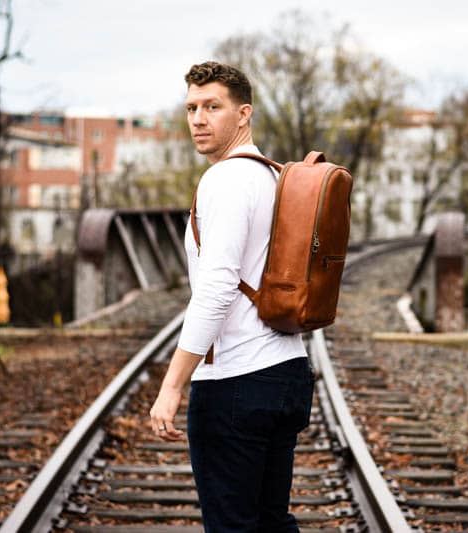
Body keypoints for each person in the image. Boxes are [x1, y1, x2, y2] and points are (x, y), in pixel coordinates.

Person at [149, 61, 314, 532]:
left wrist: (173, 384)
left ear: (243, 114)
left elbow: (217, 288)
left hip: (236, 382)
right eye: (191, 108)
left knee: (234, 527)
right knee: (270, 522)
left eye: (212, 107)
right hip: (286, 372)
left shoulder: (223, 179)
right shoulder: (272, 176)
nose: (199, 119)